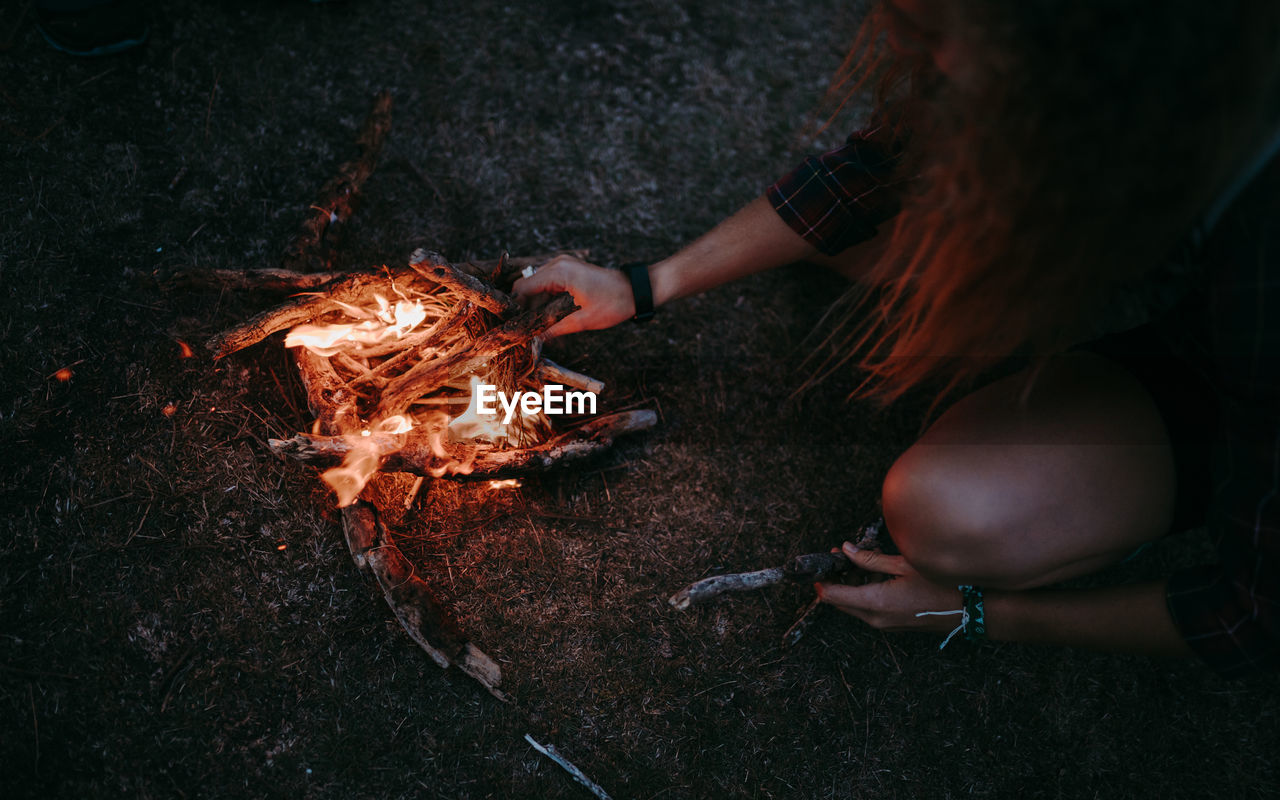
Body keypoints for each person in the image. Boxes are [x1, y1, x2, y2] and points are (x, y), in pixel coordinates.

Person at [513, 0, 1280, 677]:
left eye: (947, 33)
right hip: (1172, 232)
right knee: (885, 235)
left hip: (1227, 369)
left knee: (945, 511)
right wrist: (648, 284)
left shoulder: (1263, 272)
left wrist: (974, 613)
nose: (932, 57)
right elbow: (876, 169)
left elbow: (1252, 615)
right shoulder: (1126, 57)